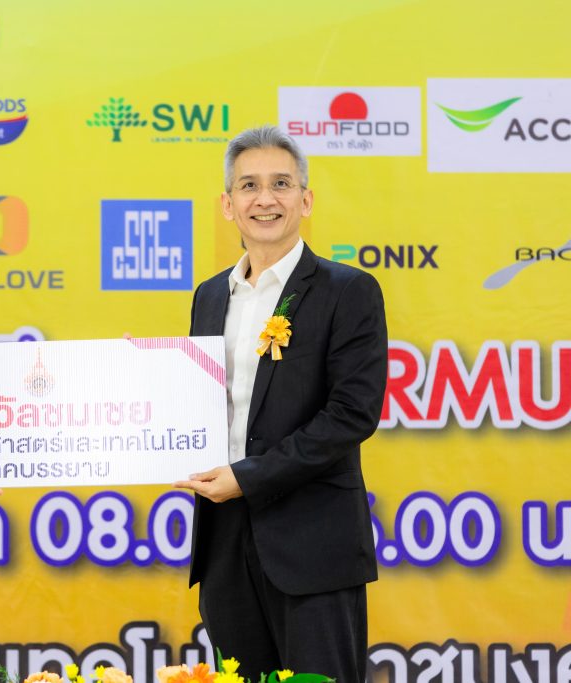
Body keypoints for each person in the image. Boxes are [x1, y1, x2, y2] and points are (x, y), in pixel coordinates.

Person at [175, 125, 387, 682]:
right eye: (248, 185)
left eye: (281, 184)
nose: (264, 198)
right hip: (224, 543)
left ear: (305, 200)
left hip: (313, 545)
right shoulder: (209, 296)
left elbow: (352, 414)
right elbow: (198, 401)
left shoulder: (348, 290)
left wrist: (247, 478)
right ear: (228, 205)